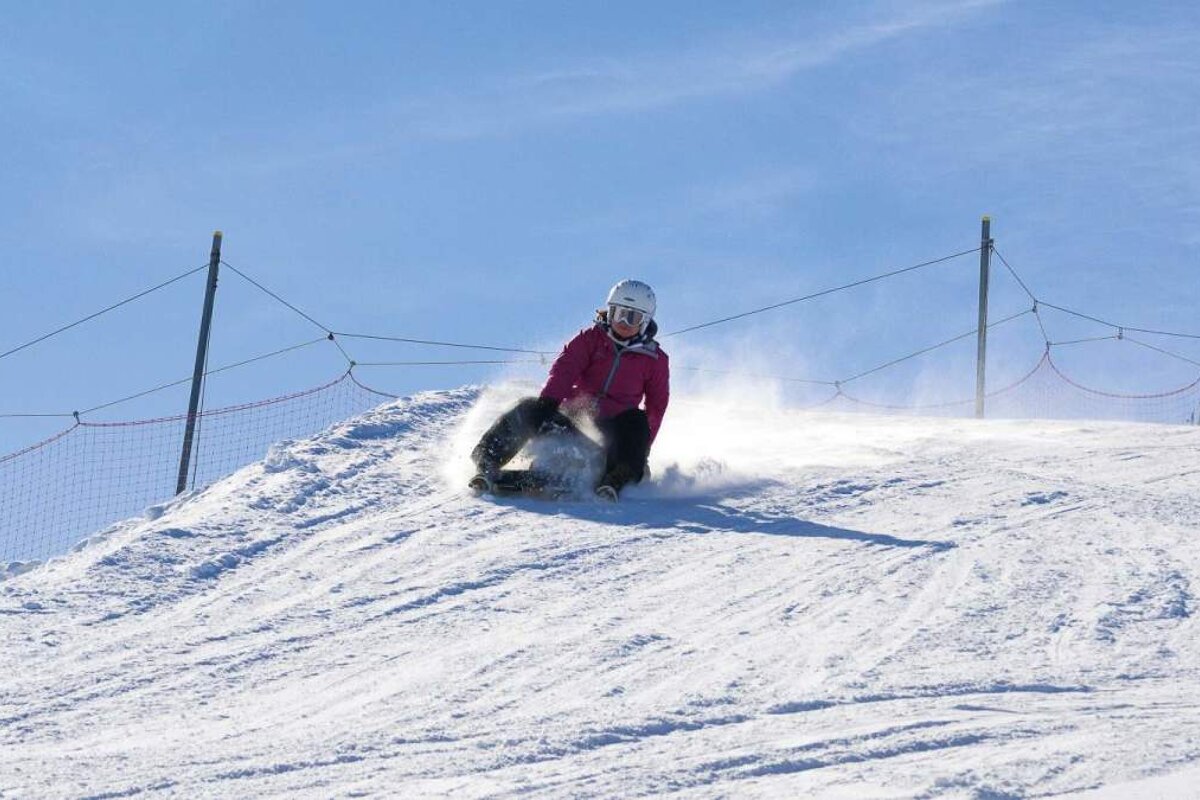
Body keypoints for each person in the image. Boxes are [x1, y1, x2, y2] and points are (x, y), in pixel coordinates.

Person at [470, 279, 670, 501]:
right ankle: (487, 463)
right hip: (575, 423)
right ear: (610, 311)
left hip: (614, 437)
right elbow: (564, 370)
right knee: (530, 407)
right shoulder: (590, 339)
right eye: (618, 313)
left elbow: (656, 406)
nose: (623, 322)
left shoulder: (655, 359)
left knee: (637, 420)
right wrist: (547, 404)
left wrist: (641, 450)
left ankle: (615, 479)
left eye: (632, 317)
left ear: (644, 322)